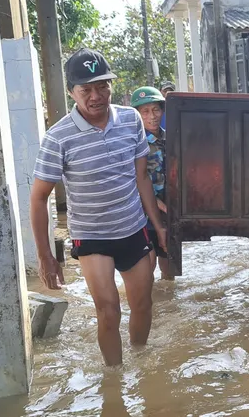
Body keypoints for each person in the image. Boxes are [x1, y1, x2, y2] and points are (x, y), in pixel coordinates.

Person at [30, 48, 167, 366]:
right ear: (71, 92)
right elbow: (39, 198)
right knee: (108, 310)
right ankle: (114, 380)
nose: (96, 96)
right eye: (86, 89)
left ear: (111, 86)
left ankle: (140, 364)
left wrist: (157, 224)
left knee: (144, 304)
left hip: (132, 227)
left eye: (102, 86)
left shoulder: (131, 120)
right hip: (91, 236)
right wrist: (46, 255)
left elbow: (141, 177)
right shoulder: (58, 137)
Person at [130, 86, 174, 280]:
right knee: (148, 265)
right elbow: (135, 182)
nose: (152, 116)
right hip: (142, 215)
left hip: (169, 214)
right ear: (137, 115)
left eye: (156, 110)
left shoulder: (173, 139)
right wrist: (161, 206)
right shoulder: (132, 144)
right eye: (145, 111)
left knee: (170, 267)